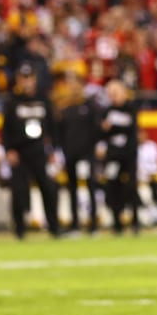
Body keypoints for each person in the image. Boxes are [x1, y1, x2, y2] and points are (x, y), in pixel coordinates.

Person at [2, 62, 58, 240]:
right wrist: (9, 149)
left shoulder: (44, 100)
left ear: (34, 79)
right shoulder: (12, 102)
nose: (26, 81)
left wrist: (52, 150)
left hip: (40, 151)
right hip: (20, 152)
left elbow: (52, 127)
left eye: (29, 77)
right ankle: (19, 230)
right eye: (23, 78)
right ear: (18, 80)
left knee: (48, 189)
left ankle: (54, 228)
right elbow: (6, 129)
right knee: (18, 192)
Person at [56, 71, 102, 236]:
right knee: (72, 189)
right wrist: (59, 151)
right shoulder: (64, 107)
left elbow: (97, 129)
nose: (74, 88)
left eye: (76, 84)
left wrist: (97, 147)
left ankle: (93, 224)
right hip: (70, 153)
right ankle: (75, 224)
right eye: (71, 84)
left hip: (87, 153)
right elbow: (59, 132)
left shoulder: (90, 105)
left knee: (91, 186)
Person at [100, 79, 141, 237]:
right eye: (110, 94)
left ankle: (135, 221)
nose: (113, 97)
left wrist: (113, 127)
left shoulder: (131, 108)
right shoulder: (107, 110)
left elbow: (131, 128)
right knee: (112, 187)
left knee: (131, 187)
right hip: (113, 157)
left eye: (115, 93)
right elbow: (102, 131)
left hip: (128, 155)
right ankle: (117, 224)